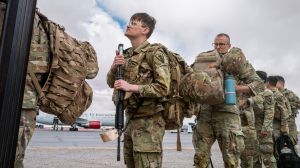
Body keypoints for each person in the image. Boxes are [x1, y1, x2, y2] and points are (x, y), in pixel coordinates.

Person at [106, 13, 170, 168]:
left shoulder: (155, 53)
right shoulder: (126, 54)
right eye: (129, 22)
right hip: (131, 119)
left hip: (149, 122)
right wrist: (114, 67)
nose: (128, 25)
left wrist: (131, 87)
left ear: (145, 30)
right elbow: (110, 83)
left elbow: (163, 87)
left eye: (134, 23)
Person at [192, 33, 264, 168]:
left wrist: (236, 88)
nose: (218, 47)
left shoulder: (236, 62)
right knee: (200, 159)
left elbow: (258, 84)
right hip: (205, 114)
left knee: (231, 159)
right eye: (216, 44)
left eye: (222, 44)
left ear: (229, 46)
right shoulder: (205, 61)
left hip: (228, 114)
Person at [0, 3, 50, 168]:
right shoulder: (35, 19)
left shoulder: (22, 14)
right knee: (14, 157)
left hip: (22, 103)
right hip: (26, 103)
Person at [247, 71, 276, 168]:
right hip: (252, 130)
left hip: (264, 131)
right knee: (254, 157)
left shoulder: (267, 93)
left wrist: (265, 129)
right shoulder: (251, 93)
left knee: (268, 158)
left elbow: (269, 112)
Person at [266, 76, 289, 160]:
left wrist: (283, 127)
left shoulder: (276, 94)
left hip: (277, 128)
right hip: (274, 126)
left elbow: (285, 112)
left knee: (278, 154)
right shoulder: (273, 93)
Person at [276, 75, 300, 146]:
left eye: (275, 82)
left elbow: (298, 104)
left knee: (290, 144)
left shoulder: (289, 94)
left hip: (290, 124)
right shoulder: (273, 93)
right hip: (277, 125)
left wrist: (288, 105)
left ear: (280, 83)